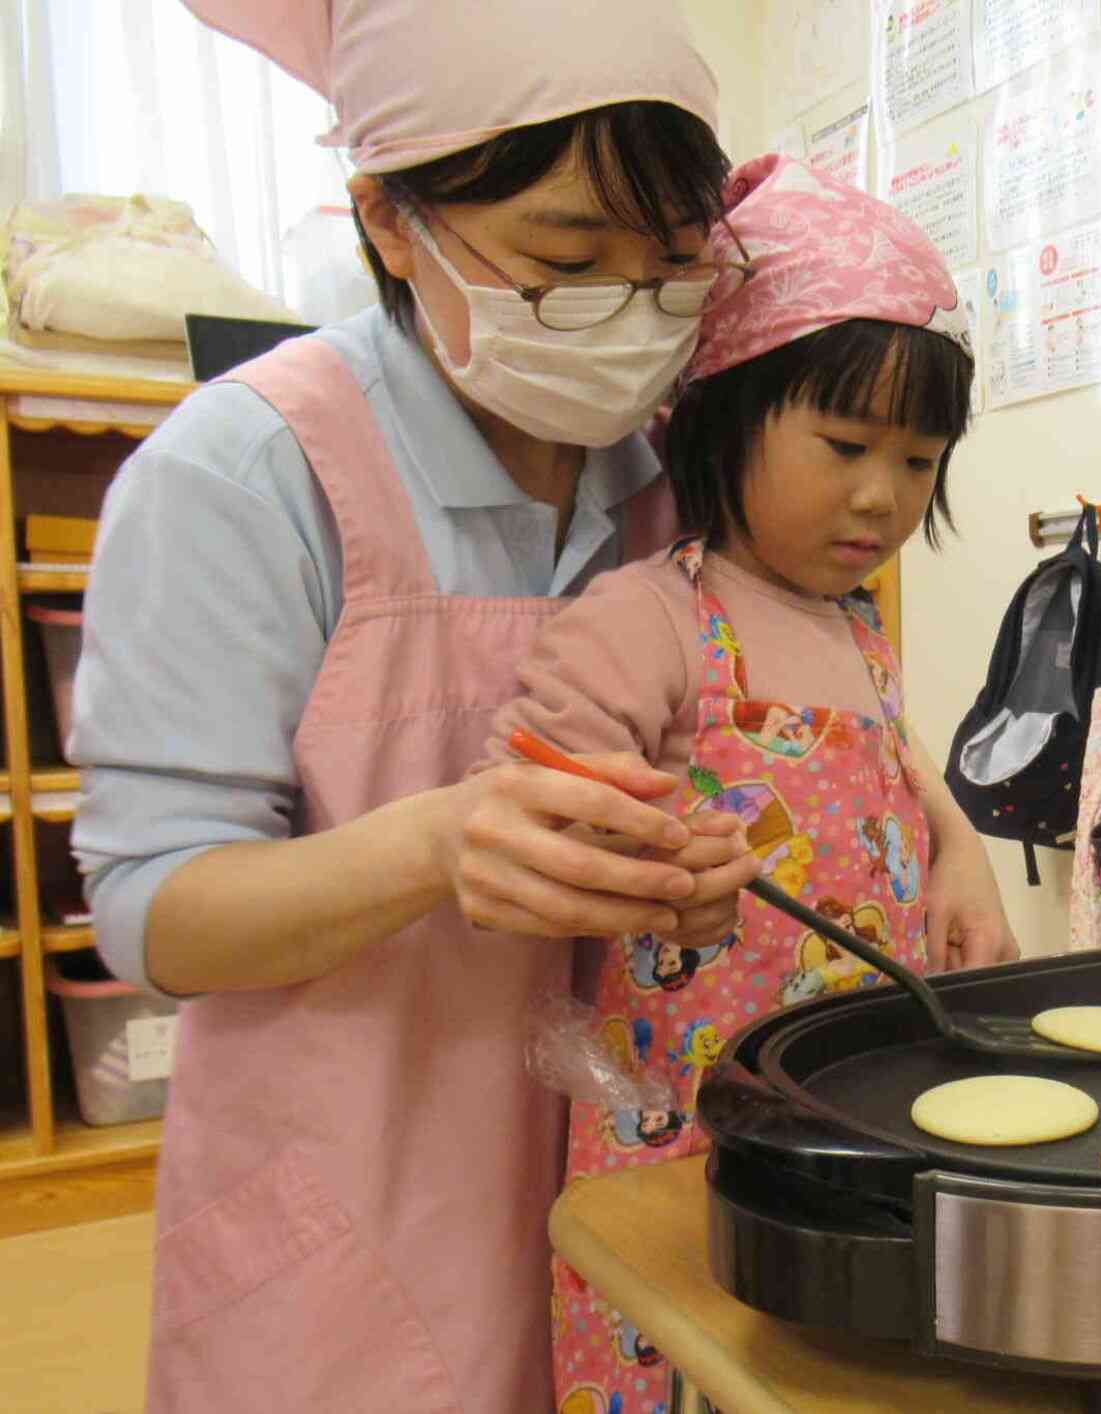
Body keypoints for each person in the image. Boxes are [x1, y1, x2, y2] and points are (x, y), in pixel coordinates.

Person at [67, 4, 765, 1409]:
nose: (627, 319)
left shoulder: (666, 487)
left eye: (675, 269)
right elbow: (154, 913)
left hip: (613, 1197)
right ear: (389, 218)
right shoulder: (244, 476)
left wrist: (687, 868)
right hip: (350, 1222)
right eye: (568, 266)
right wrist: (442, 844)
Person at [483, 154, 1018, 1411]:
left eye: (921, 460)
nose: (883, 496)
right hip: (685, 1134)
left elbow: (894, 758)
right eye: (843, 444)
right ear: (720, 409)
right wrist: (644, 861)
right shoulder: (648, 619)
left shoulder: (857, 628)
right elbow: (532, 821)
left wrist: (959, 847)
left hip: (855, 1111)